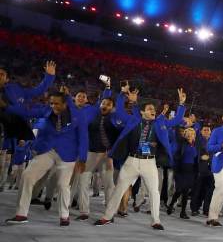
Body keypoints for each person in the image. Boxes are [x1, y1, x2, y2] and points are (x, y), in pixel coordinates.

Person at [94, 87, 186, 230]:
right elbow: (119, 111)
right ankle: (107, 216)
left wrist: (181, 104)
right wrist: (124, 95)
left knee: (154, 191)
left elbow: (177, 121)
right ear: (142, 111)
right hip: (132, 161)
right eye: (149, 109)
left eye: (153, 109)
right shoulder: (133, 120)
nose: (153, 111)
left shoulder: (160, 123)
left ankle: (156, 220)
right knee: (119, 189)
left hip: (150, 162)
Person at [6, 91, 88, 226]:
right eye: (51, 103)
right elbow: (27, 112)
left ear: (65, 104)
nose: (53, 106)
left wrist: (83, 158)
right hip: (47, 150)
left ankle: (64, 216)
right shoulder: (46, 110)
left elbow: (84, 138)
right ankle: (21, 214)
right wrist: (7, 107)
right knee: (27, 176)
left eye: (56, 103)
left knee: (63, 185)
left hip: (68, 154)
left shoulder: (78, 115)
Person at [76, 82, 124, 220]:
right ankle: (84, 212)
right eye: (103, 103)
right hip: (90, 153)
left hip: (106, 155)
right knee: (83, 180)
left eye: (109, 105)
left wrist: (112, 153)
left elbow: (121, 135)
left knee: (109, 185)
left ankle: (110, 213)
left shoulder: (115, 119)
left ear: (113, 108)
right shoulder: (92, 115)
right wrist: (108, 88)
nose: (105, 105)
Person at [167, 127, 198, 219]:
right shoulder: (181, 142)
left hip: (191, 170)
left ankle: (183, 212)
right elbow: (177, 134)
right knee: (179, 189)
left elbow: (196, 158)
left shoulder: (195, 145)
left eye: (192, 134)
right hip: (181, 169)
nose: (190, 135)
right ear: (185, 134)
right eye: (188, 133)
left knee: (185, 192)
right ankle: (171, 204)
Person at [190, 125, 213, 216]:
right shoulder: (197, 141)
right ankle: (194, 209)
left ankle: (206, 209)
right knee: (197, 190)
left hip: (211, 169)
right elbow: (193, 152)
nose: (206, 131)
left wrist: (209, 158)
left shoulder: (213, 141)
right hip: (199, 168)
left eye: (208, 130)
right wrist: (200, 157)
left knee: (208, 191)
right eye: (205, 130)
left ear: (210, 132)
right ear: (201, 132)